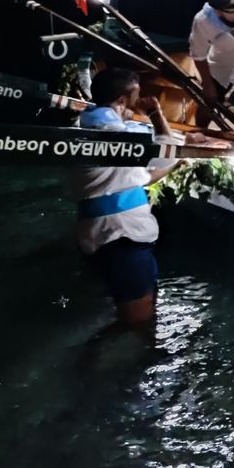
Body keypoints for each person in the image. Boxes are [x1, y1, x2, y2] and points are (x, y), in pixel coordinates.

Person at [68, 68, 177, 329]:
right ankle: (95, 361)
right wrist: (156, 114)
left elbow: (140, 178)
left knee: (138, 314)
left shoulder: (82, 126)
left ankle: (99, 358)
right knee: (138, 321)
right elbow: (166, 153)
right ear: (123, 99)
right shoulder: (122, 135)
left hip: (101, 234)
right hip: (122, 237)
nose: (139, 101)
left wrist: (181, 158)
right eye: (137, 96)